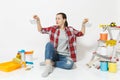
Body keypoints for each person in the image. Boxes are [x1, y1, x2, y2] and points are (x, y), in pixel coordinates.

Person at [33, 12, 88, 77]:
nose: (56, 20)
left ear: (64, 20)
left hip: (64, 56)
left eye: (58, 19)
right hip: (55, 54)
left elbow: (81, 33)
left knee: (70, 64)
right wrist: (38, 21)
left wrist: (83, 24)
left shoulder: (70, 29)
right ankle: (48, 68)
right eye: (56, 19)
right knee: (49, 44)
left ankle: (50, 63)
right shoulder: (53, 28)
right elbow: (41, 30)